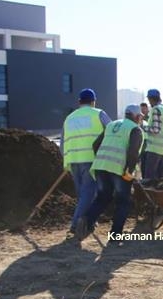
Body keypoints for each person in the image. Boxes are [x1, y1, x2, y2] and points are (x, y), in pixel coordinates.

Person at [75, 105, 144, 241]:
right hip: (119, 169)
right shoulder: (135, 130)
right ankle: (115, 235)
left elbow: (95, 144)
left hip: (101, 166)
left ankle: (86, 221)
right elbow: (133, 153)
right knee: (123, 202)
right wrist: (130, 171)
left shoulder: (111, 125)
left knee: (102, 197)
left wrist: (101, 160)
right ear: (136, 117)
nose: (141, 119)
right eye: (140, 116)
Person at [61, 88, 111, 237]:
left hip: (73, 161)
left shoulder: (69, 118)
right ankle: (76, 224)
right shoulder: (99, 114)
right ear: (93, 101)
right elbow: (112, 131)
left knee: (82, 194)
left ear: (79, 102)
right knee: (88, 194)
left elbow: (63, 142)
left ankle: (89, 220)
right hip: (91, 160)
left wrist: (66, 158)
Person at [140, 88, 163, 180]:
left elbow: (155, 130)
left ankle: (150, 194)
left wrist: (142, 126)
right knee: (161, 178)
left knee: (149, 178)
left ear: (151, 99)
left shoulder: (156, 110)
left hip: (154, 149)